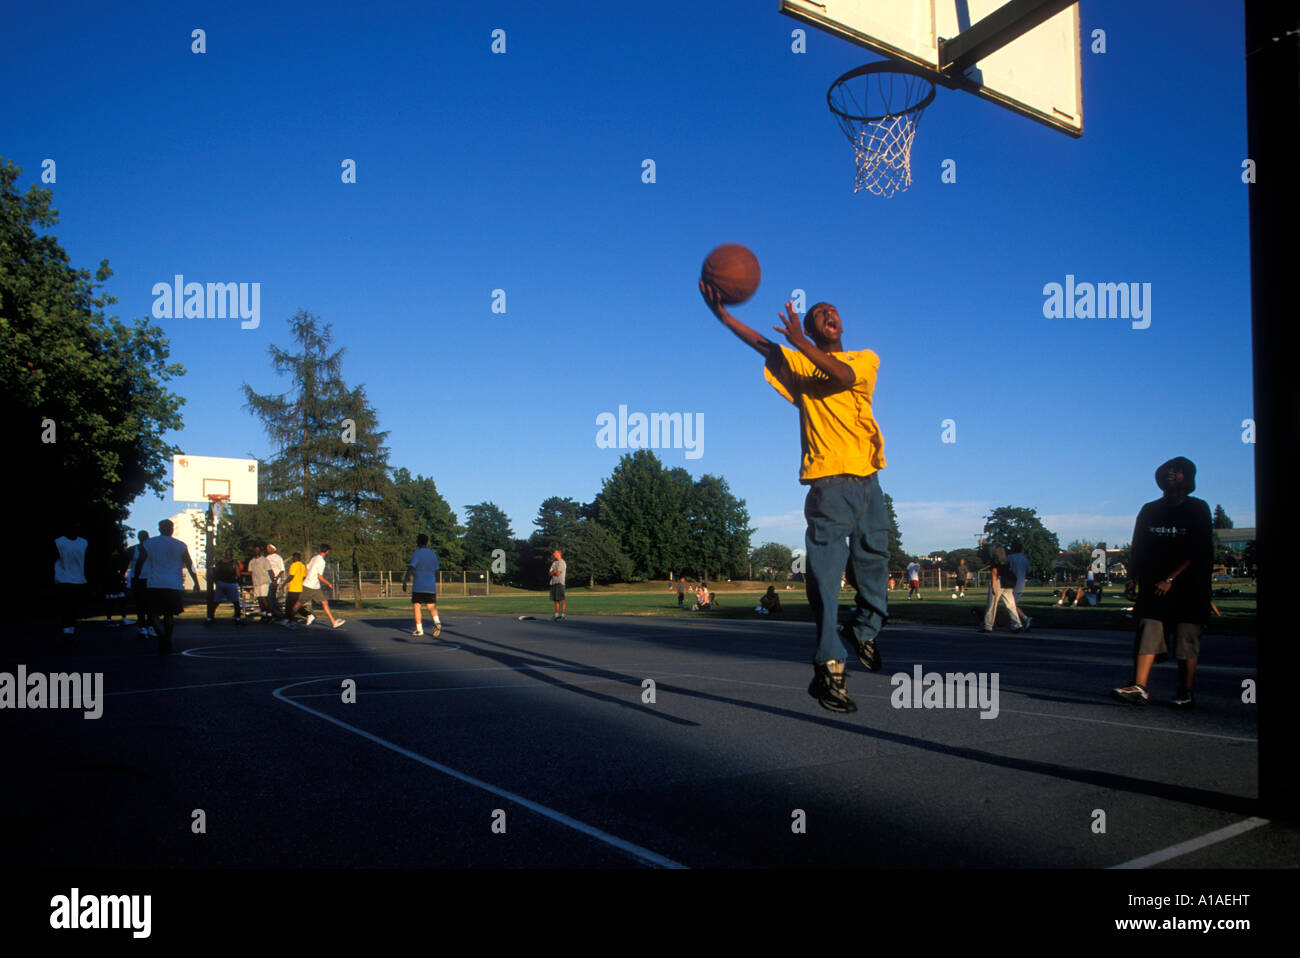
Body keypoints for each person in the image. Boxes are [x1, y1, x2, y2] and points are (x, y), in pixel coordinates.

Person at [703, 283, 888, 714]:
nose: (828, 313)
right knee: (824, 579)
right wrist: (724, 315)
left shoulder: (863, 359)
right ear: (806, 327)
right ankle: (829, 669)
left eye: (833, 309)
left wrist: (800, 342)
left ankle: (864, 631)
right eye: (818, 311)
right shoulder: (800, 368)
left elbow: (840, 376)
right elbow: (766, 347)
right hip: (828, 485)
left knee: (875, 562)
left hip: (869, 483)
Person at [1112, 457, 1213, 708]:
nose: (1171, 473)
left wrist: (1171, 578)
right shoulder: (1150, 509)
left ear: (1188, 478)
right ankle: (1139, 686)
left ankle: (1185, 691)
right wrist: (1131, 578)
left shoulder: (1198, 508)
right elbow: (1139, 546)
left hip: (1190, 586)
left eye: (1177, 471)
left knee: (1185, 637)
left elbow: (1199, 548)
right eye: (1168, 470)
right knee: (1148, 629)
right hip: (1152, 585)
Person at [135, 518, 200, 652]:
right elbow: (189, 564)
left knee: (152, 614)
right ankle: (167, 638)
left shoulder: (150, 543)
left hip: (155, 584)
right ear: (172, 529)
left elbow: (140, 562)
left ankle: (162, 637)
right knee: (169, 614)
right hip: (174, 584)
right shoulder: (180, 545)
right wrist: (196, 581)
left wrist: (136, 577)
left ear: (159, 529)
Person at [53, 527, 89, 643]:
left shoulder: (83, 542)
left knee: (73, 607)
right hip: (63, 578)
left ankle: (70, 630)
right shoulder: (59, 542)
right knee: (66, 606)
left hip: (78, 579)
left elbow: (86, 559)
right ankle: (68, 631)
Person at [401, 534, 442, 637]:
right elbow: (437, 570)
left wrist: (405, 580)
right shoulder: (433, 553)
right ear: (427, 542)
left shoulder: (417, 553)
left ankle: (419, 630)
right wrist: (435, 581)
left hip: (419, 585)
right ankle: (437, 622)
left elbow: (411, 567)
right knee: (431, 605)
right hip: (430, 586)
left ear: (418, 542)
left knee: (417, 606)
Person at [978, 545, 1022, 633]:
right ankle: (1017, 624)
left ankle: (988, 626)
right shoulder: (1007, 560)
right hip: (1007, 583)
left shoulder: (994, 560)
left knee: (992, 605)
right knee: (1011, 605)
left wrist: (993, 586)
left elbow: (994, 572)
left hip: (998, 581)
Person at [300, 545, 344, 629]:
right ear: (327, 551)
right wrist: (329, 583)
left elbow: (307, 568)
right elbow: (319, 576)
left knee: (325, 602)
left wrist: (306, 577)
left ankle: (333, 622)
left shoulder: (314, 558)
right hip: (310, 586)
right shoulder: (322, 562)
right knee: (298, 604)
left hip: (315, 586)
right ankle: (289, 620)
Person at [126, 530, 154, 640]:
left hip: (149, 579)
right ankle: (143, 627)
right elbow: (128, 564)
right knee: (141, 605)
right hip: (138, 580)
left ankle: (150, 626)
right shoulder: (133, 550)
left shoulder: (152, 550)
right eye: (143, 537)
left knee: (149, 605)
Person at [207, 549, 244, 624]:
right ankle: (237, 618)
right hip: (231, 583)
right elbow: (238, 574)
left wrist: (216, 581)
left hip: (221, 583)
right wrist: (239, 581)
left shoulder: (220, 563)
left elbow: (215, 572)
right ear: (232, 554)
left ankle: (210, 617)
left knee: (216, 601)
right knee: (235, 602)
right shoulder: (234, 563)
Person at [1008, 540, 1032, 632]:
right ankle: (1019, 621)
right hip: (1021, 584)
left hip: (1011, 584)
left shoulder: (1010, 558)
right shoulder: (1024, 558)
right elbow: (1029, 570)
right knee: (1012, 605)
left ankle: (1021, 621)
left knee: (1011, 606)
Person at [281, 551, 307, 627]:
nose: (292, 559)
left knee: (289, 605)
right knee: (295, 605)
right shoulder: (302, 565)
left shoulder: (294, 565)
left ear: (295, 558)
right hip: (299, 588)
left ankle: (289, 620)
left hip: (293, 588)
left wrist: (284, 583)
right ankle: (291, 619)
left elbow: (291, 576)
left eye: (293, 557)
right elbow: (304, 577)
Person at [248, 546, 272, 622]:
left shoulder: (264, 560)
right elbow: (250, 572)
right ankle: (264, 614)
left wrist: (274, 580)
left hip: (264, 581)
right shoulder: (252, 561)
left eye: (258, 550)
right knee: (259, 599)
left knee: (264, 598)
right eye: (255, 550)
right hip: (256, 582)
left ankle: (269, 614)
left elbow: (270, 570)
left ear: (260, 551)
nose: (256, 551)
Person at [265, 544, 285, 620]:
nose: (267, 549)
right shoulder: (267, 557)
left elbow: (282, 569)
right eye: (267, 548)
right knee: (269, 597)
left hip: (275, 580)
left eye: (269, 548)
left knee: (271, 596)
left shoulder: (278, 557)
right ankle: (275, 613)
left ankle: (277, 613)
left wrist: (276, 579)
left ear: (273, 549)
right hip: (267, 580)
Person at [549, 549, 567, 621]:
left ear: (559, 554)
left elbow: (558, 574)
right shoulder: (554, 563)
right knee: (555, 600)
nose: (554, 554)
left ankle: (562, 615)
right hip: (553, 582)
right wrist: (554, 572)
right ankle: (556, 615)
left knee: (562, 599)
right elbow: (549, 573)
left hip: (560, 583)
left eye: (555, 553)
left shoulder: (562, 562)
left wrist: (554, 571)